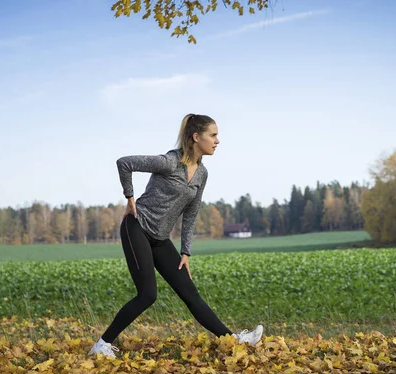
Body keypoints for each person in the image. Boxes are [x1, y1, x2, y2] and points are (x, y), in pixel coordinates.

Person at [89, 113, 264, 358]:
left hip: (160, 239)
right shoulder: (170, 162)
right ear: (196, 137)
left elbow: (191, 213)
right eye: (213, 135)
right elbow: (124, 163)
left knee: (190, 292)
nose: (217, 141)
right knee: (148, 294)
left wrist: (185, 251)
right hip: (137, 227)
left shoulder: (202, 174)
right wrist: (130, 198)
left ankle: (233, 340)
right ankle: (101, 345)